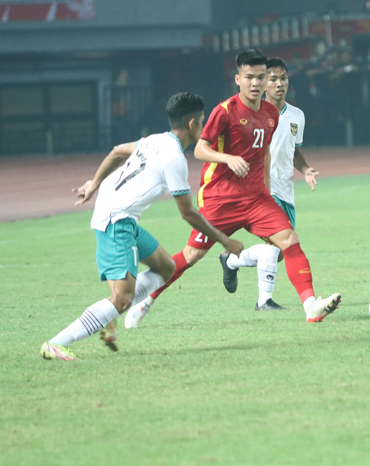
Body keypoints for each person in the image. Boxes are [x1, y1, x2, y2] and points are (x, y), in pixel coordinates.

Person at [125, 49, 340, 327]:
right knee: (192, 256)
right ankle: (147, 300)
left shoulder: (271, 114)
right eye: (249, 77)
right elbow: (200, 149)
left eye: (261, 77)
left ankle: (311, 306)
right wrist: (227, 158)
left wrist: (266, 191)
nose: (256, 83)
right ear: (238, 79)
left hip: (256, 199)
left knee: (289, 239)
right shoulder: (224, 111)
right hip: (220, 199)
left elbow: (264, 154)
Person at [40, 93, 244, 361]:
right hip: (116, 220)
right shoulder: (174, 159)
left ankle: (108, 316)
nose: (205, 126)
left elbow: (116, 151)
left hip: (121, 216)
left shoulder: (156, 140)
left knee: (166, 268)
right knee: (122, 299)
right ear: (193, 123)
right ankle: (56, 343)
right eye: (203, 121)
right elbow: (188, 214)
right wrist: (224, 240)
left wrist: (94, 183)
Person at [218, 57, 320, 311]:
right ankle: (264, 300)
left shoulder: (297, 115)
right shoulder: (253, 114)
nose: (279, 83)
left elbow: (294, 150)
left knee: (280, 251)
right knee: (278, 245)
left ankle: (231, 260)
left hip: (286, 189)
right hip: (262, 189)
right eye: (272, 79)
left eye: (283, 78)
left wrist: (306, 170)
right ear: (263, 83)